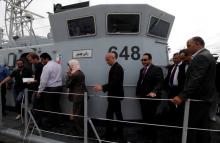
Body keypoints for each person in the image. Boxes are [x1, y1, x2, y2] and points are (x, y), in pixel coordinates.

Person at [172, 36, 216, 143]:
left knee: (191, 127)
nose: (187, 48)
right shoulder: (208, 55)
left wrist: (182, 96)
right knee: (203, 127)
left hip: (198, 99)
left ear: (197, 44)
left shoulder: (201, 57)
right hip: (205, 99)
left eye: (189, 45)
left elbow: (196, 79)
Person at [94, 52, 124, 141]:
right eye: (106, 59)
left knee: (111, 115)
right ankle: (117, 133)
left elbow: (115, 82)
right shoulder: (116, 67)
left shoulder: (117, 68)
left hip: (115, 96)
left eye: (108, 59)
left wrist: (102, 87)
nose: (106, 61)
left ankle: (110, 135)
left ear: (113, 57)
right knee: (116, 114)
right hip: (115, 96)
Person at [136, 53, 164, 143]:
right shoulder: (142, 70)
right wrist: (137, 93)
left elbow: (160, 82)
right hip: (143, 98)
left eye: (145, 60)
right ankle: (146, 132)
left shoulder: (157, 69)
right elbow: (140, 82)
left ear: (150, 60)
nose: (143, 62)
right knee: (144, 115)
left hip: (152, 98)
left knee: (151, 117)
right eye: (142, 60)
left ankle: (153, 136)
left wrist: (154, 91)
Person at [37, 53, 62, 129]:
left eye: (42, 59)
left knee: (49, 107)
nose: (41, 61)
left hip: (50, 89)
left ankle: (50, 124)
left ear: (46, 58)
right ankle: (58, 122)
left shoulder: (46, 67)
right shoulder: (58, 65)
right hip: (59, 88)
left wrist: (39, 91)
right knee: (56, 105)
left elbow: (43, 81)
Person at [66, 59, 86, 135]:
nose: (69, 68)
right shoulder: (80, 72)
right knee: (79, 114)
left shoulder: (74, 74)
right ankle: (81, 131)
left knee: (76, 115)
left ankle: (80, 133)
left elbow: (68, 84)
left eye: (69, 66)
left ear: (72, 65)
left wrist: (68, 76)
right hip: (81, 95)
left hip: (77, 96)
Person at [27, 52, 44, 125]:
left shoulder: (39, 67)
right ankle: (36, 121)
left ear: (35, 59)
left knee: (36, 106)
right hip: (37, 88)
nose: (30, 62)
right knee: (36, 105)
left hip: (38, 89)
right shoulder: (39, 66)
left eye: (30, 60)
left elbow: (39, 79)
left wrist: (28, 80)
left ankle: (36, 123)